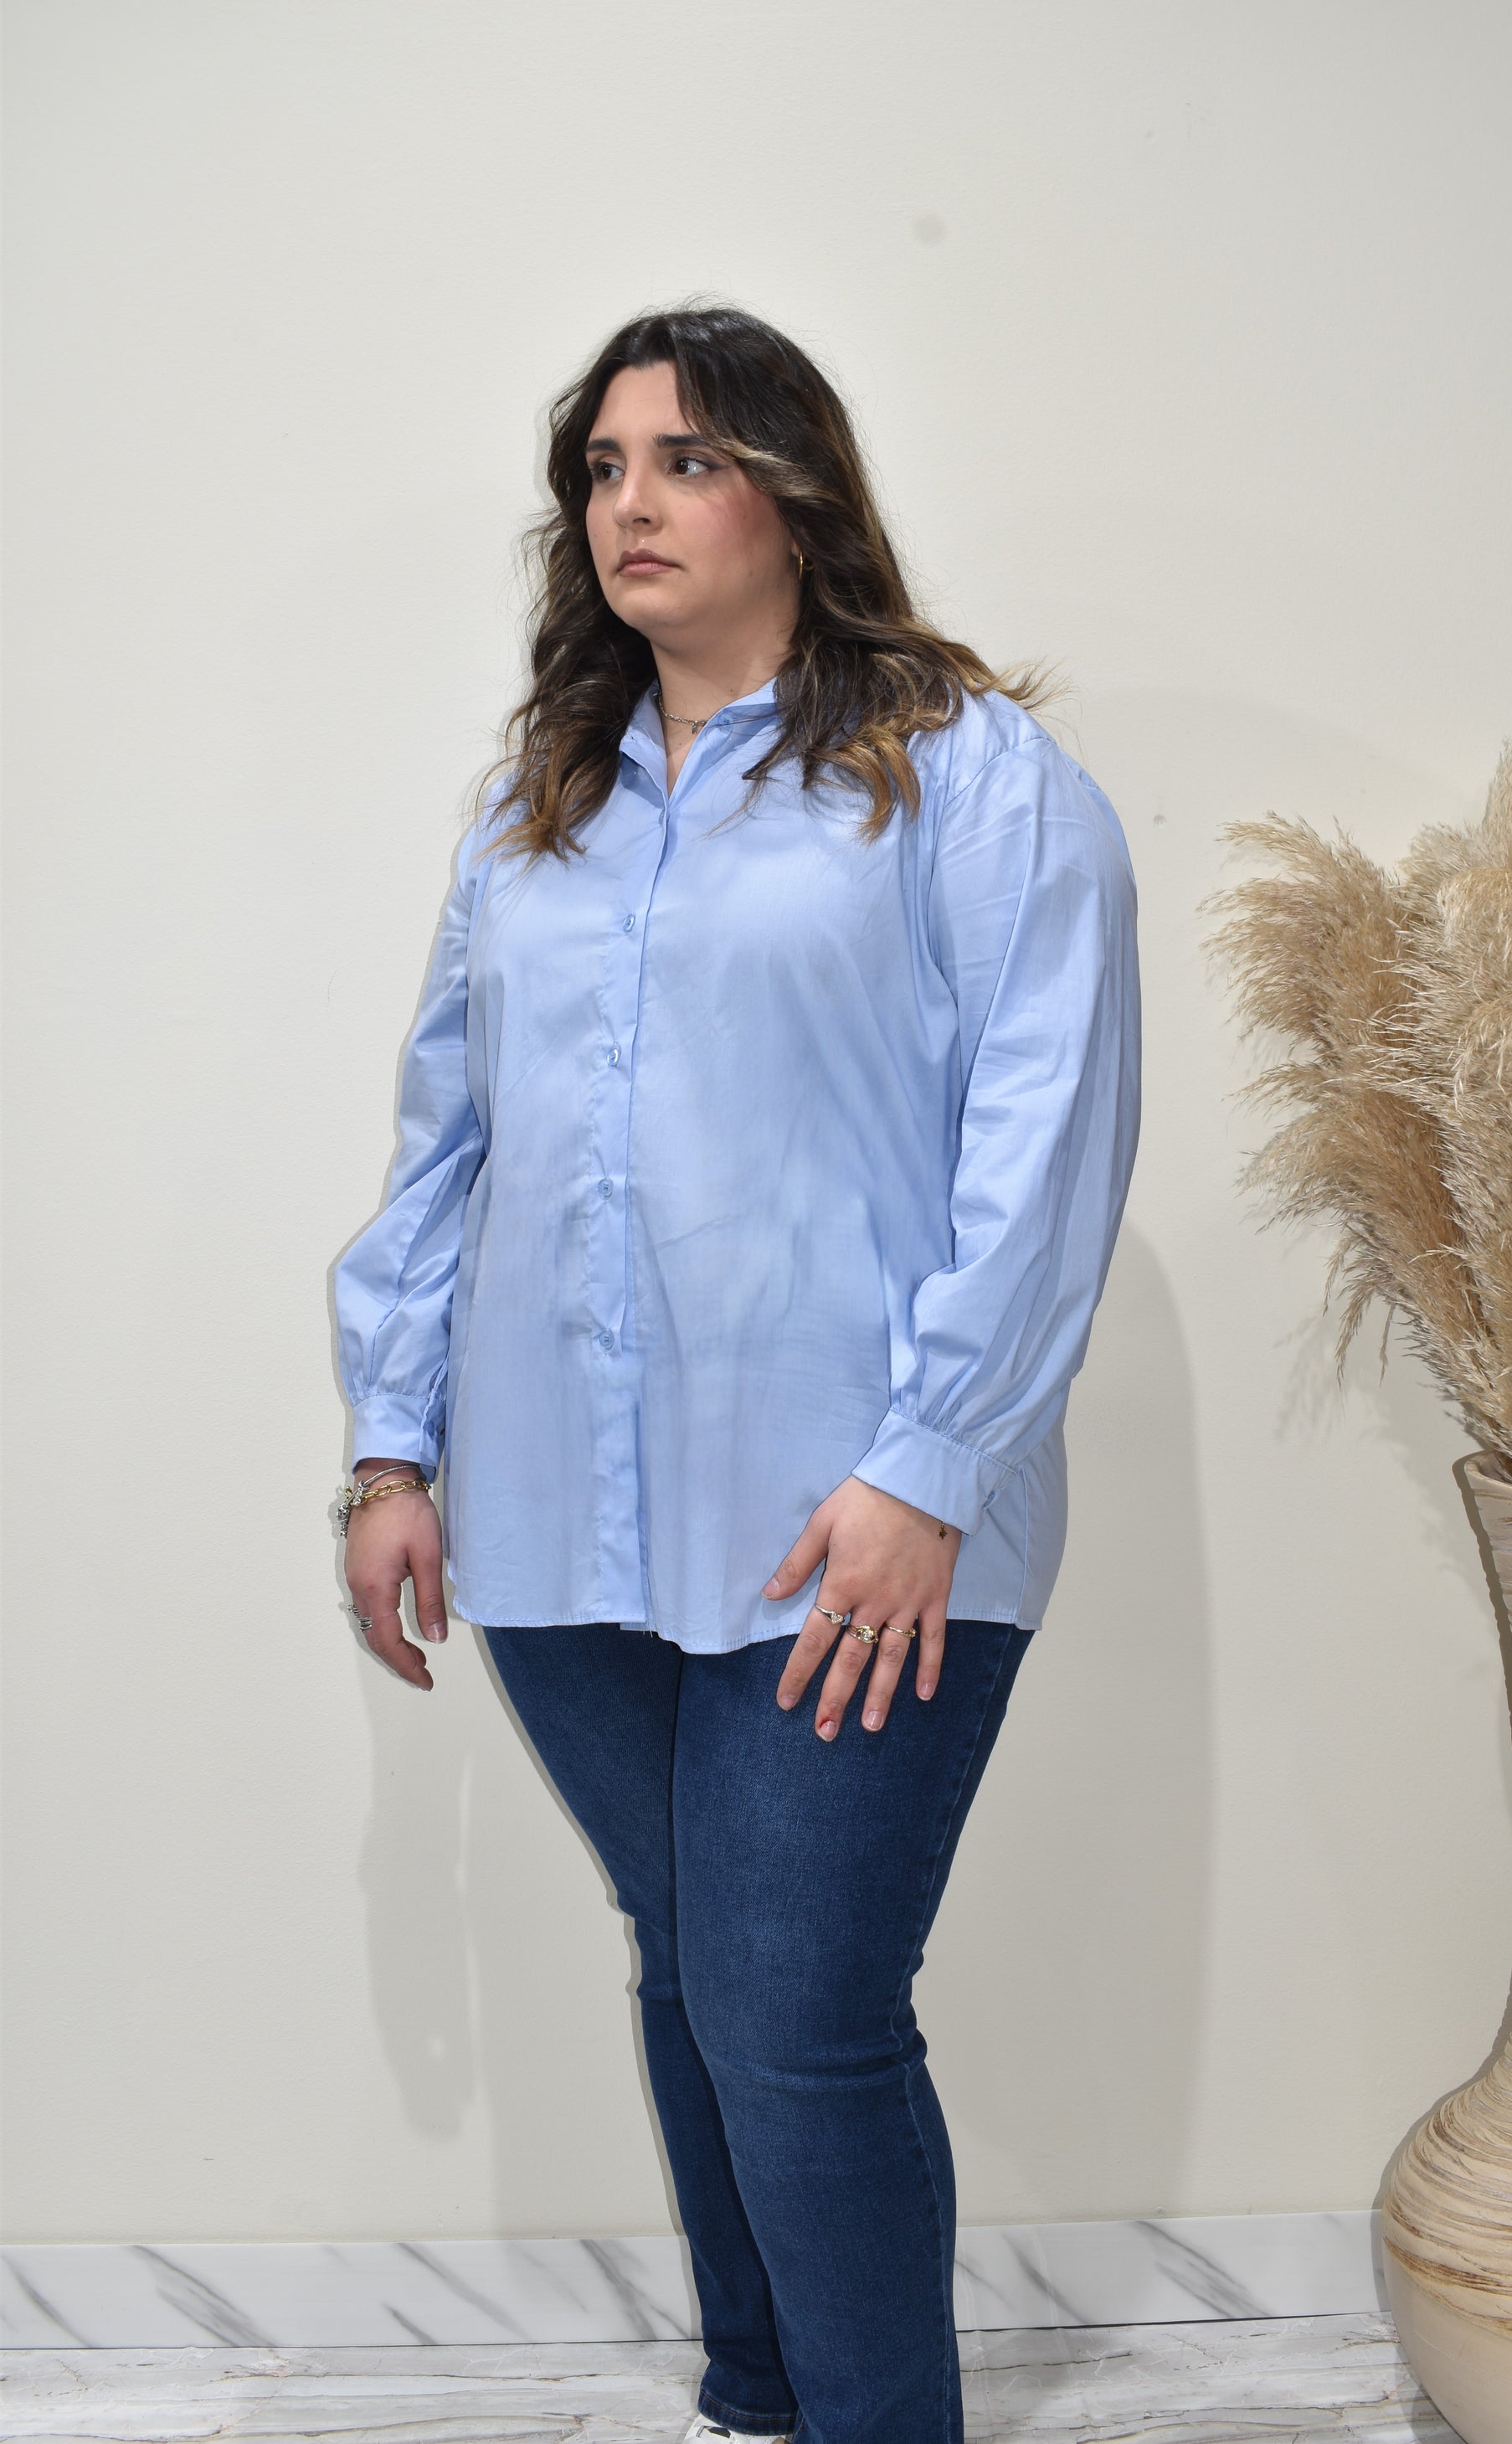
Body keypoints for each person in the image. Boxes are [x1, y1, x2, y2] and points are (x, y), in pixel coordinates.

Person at [332, 305, 1140, 2444]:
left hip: (851, 1518)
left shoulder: (966, 776)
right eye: (602, 468)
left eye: (686, 459)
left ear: (795, 492)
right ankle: (760, 2392)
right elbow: (448, 1145)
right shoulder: (537, 809)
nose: (633, 503)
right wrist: (392, 1447)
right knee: (693, 1965)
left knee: (796, 2009)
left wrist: (933, 1457)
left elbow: (1048, 1136)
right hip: (553, 1518)